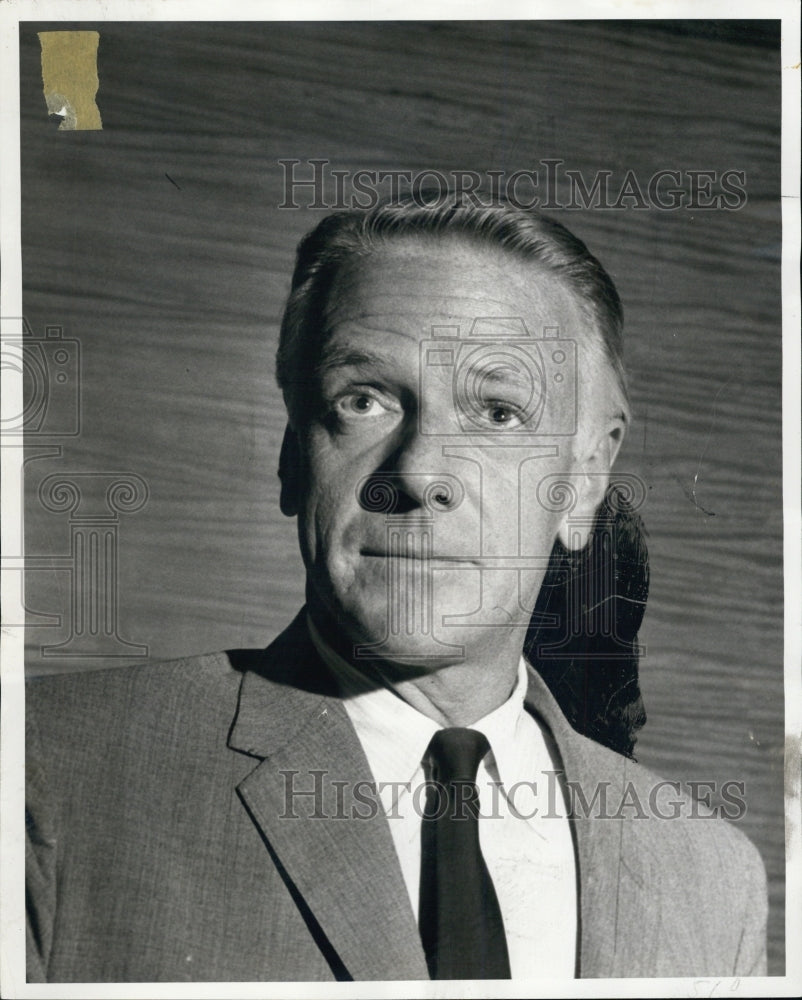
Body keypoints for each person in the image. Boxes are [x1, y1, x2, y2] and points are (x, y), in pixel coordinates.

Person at [26, 193, 767, 983]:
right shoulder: (45, 772)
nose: (418, 474)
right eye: (365, 400)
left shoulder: (712, 879)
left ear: (585, 478)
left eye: (499, 412)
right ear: (291, 453)